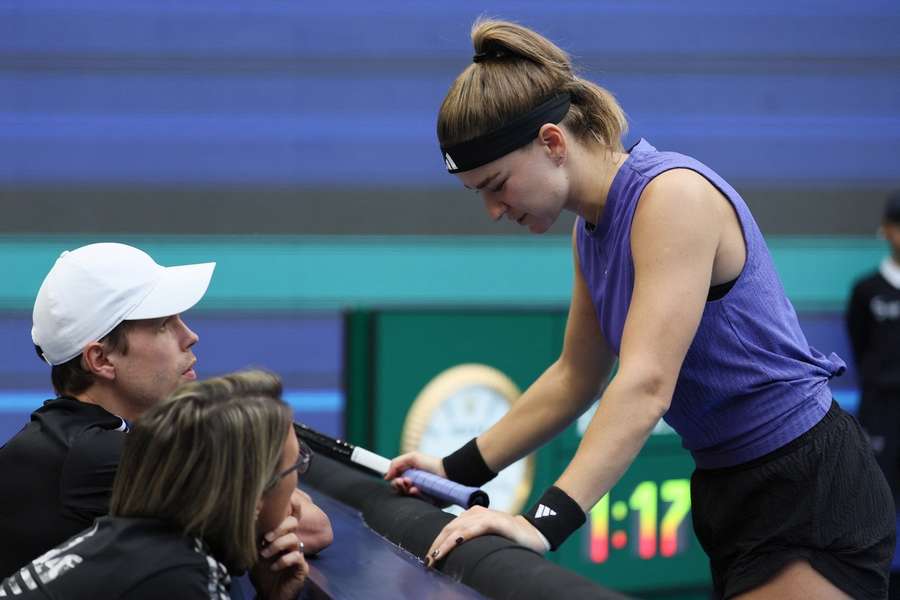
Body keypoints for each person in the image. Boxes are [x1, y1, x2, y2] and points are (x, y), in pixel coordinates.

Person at [387, 19, 895, 600]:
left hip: (806, 486)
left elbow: (646, 382)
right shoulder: (589, 232)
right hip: (729, 490)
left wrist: (541, 524)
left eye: (496, 184)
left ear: (552, 143)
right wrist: (452, 472)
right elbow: (575, 377)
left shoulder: (672, 197)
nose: (494, 210)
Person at [0, 243, 332, 579]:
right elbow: (314, 529)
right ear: (101, 359)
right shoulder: (99, 459)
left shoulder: (71, 440)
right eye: (162, 324)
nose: (190, 336)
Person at [0, 369, 310, 599]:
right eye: (297, 465)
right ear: (252, 497)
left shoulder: (136, 542)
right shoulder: (180, 577)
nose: (296, 498)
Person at [847, 192, 900, 502]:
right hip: (880, 408)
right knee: (878, 498)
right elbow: (859, 342)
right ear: (887, 229)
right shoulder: (867, 290)